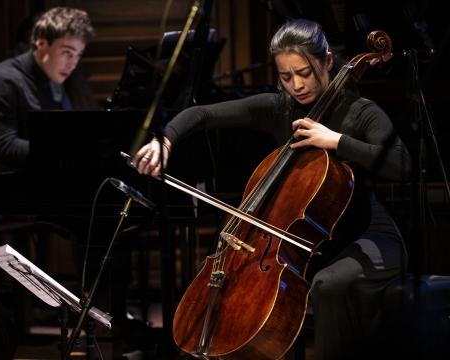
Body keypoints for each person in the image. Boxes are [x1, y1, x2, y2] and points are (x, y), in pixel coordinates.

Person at [132, 19, 411, 359]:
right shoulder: (280, 108)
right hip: (309, 242)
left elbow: (401, 164)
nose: (296, 85)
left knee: (327, 285)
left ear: (326, 61)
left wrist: (336, 141)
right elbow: (202, 114)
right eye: (285, 76)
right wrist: (166, 140)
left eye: (305, 72)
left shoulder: (360, 112)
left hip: (366, 236)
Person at [0, 7, 96, 208]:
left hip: (28, 175)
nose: (73, 64)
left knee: (99, 191)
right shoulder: (4, 80)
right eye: (67, 53)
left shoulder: (53, 80)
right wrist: (64, 150)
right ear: (41, 43)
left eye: (78, 55)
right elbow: (5, 147)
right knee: (87, 197)